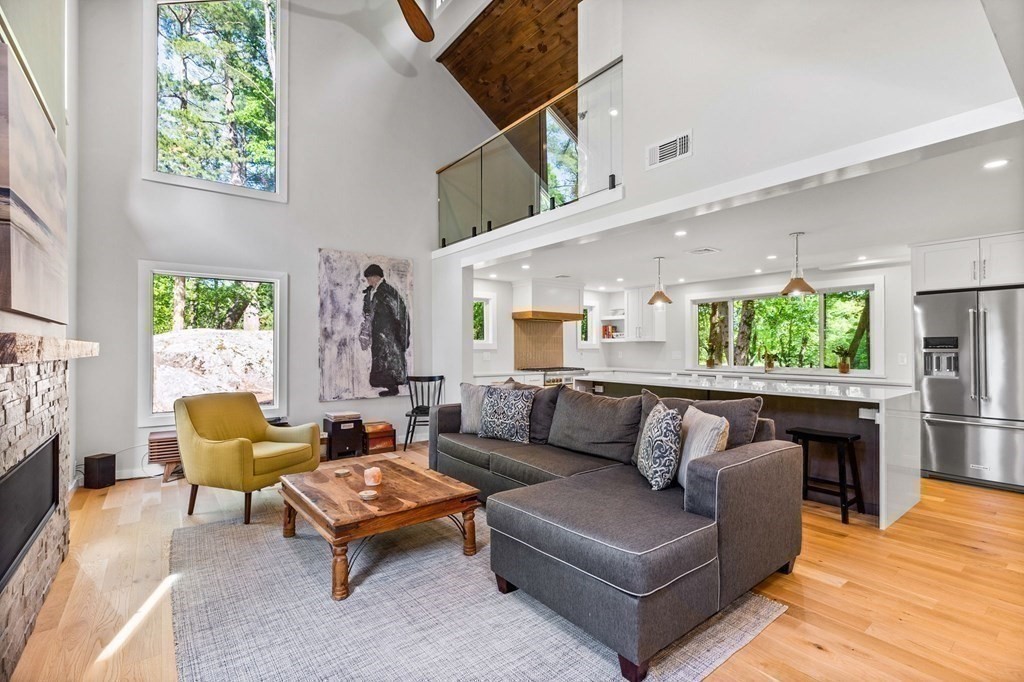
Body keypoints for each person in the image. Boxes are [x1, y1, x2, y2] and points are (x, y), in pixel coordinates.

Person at [360, 264, 410, 397]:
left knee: (389, 360)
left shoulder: (387, 291)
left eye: (369, 278)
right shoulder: (373, 291)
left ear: (376, 277)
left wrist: (402, 335)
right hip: (379, 332)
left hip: (389, 333)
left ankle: (393, 387)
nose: (368, 281)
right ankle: (387, 385)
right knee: (381, 359)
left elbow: (400, 313)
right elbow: (370, 310)